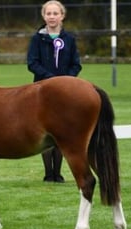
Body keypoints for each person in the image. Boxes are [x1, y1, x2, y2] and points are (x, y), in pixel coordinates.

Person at [27, 1, 82, 183]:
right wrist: (50, 79)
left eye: (55, 13)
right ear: (44, 16)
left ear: (62, 16)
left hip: (65, 93)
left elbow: (76, 64)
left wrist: (65, 81)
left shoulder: (69, 40)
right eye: (48, 13)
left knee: (61, 131)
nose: (52, 16)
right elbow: (32, 63)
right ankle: (48, 173)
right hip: (42, 92)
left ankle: (57, 173)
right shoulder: (37, 39)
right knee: (45, 131)